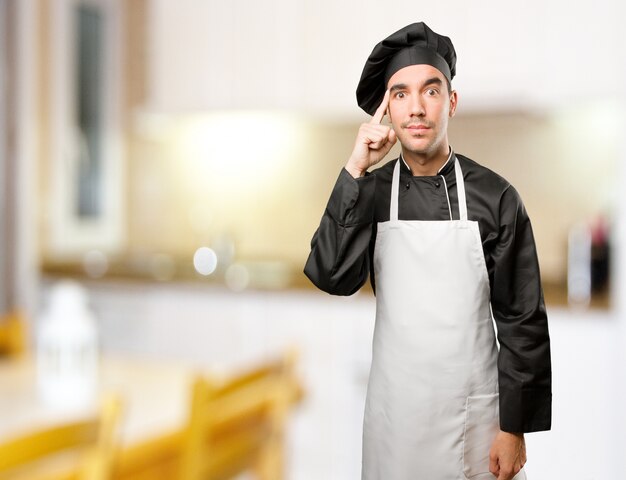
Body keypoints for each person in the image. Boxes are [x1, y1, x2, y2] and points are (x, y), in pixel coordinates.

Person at [304, 22, 551, 480]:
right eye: (400, 94)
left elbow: (522, 320)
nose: (416, 108)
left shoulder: (496, 198)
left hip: (474, 425)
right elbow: (332, 275)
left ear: (451, 102)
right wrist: (356, 167)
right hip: (395, 422)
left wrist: (514, 429)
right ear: (387, 111)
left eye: (430, 91)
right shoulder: (370, 192)